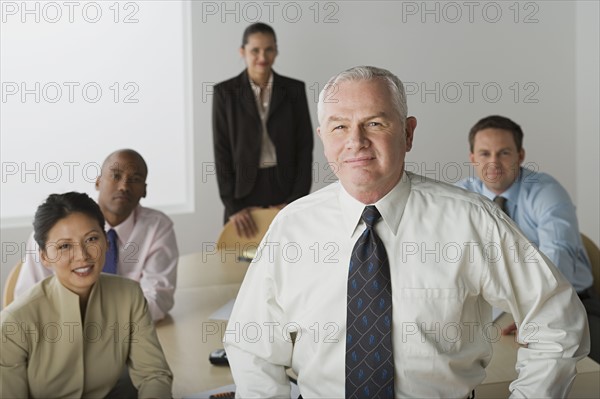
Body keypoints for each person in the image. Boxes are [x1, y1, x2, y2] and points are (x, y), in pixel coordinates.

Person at [223, 66, 590, 397]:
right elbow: (252, 345)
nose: (356, 141)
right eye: (339, 126)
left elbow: (556, 320)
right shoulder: (292, 227)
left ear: (408, 133)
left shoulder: (470, 220)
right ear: (323, 138)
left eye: (375, 123)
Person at [0, 192, 172, 398]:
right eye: (64, 246)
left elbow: (153, 375)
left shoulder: (130, 296)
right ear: (45, 257)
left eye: (91, 239)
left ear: (107, 242)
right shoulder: (14, 322)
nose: (82, 256)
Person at [456, 115, 599, 362]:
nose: (494, 163)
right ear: (472, 158)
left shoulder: (546, 191)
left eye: (504, 153)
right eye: (484, 153)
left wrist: (538, 315)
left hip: (571, 303)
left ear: (520, 156)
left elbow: (559, 253)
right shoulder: (461, 196)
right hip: (494, 310)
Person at [14, 149, 179, 322]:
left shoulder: (157, 226)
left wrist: (104, 326)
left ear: (144, 190)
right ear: (98, 182)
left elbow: (158, 299)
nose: (124, 186)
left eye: (135, 179)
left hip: (126, 333)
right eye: (115, 176)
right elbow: (27, 300)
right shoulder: (53, 228)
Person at [212, 22, 313, 238]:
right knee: (240, 264)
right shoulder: (225, 93)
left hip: (285, 187)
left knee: (286, 259)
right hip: (243, 192)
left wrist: (296, 201)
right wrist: (233, 206)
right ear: (243, 52)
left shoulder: (294, 90)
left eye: (269, 49)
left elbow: (305, 147)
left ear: (276, 50)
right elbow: (221, 151)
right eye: (255, 50)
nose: (262, 56)